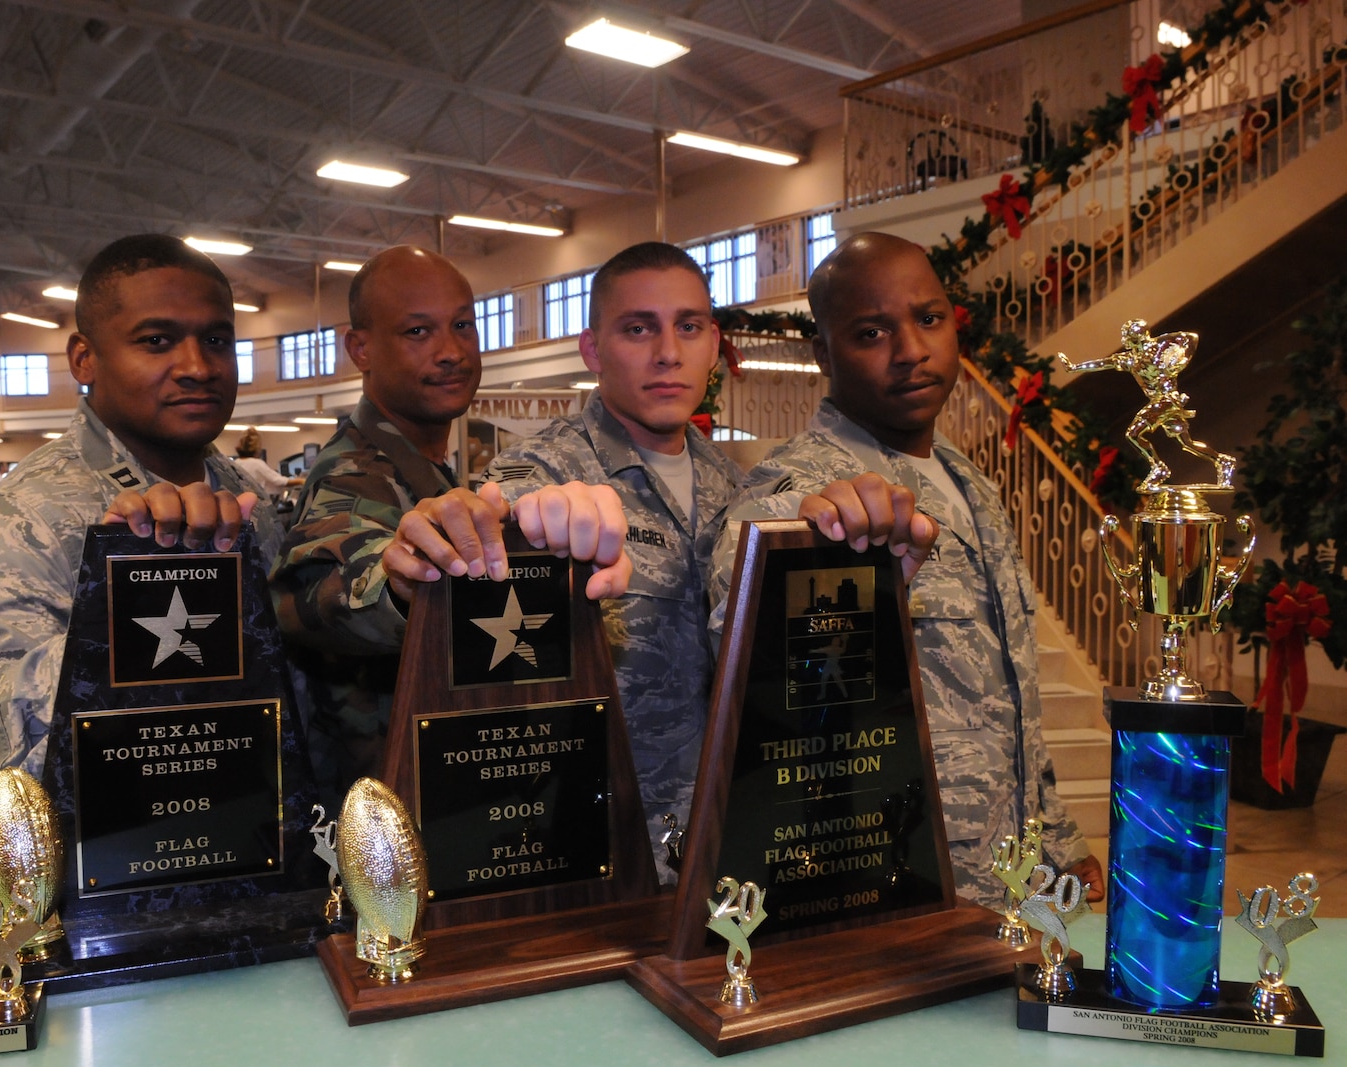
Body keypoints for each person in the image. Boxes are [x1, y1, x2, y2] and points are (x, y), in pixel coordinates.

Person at [708, 232, 1103, 906]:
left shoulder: (967, 480)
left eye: (928, 319)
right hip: (899, 876)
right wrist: (809, 530)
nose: (912, 352)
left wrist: (1056, 841)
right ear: (825, 354)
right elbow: (740, 600)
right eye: (871, 333)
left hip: (1010, 876)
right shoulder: (805, 479)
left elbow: (1011, 693)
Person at [0, 234, 270, 833]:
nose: (198, 366)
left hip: (257, 843)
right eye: (156, 341)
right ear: (84, 358)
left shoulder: (245, 497)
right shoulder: (26, 517)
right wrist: (130, 626)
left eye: (216, 340)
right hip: (117, 872)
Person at [269, 245, 631, 797]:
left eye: (463, 325)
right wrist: (400, 580)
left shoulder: (432, 472)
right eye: (418, 332)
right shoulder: (353, 474)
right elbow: (318, 588)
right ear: (360, 348)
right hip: (402, 820)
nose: (450, 351)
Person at [480, 242, 744, 876]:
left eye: (689, 327)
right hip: (595, 849)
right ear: (593, 350)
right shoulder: (545, 472)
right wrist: (500, 519)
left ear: (713, 344)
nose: (668, 353)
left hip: (720, 848)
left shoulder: (736, 489)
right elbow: (490, 513)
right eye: (637, 328)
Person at [233, 427, 304, 499]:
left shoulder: (236, 463)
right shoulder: (256, 463)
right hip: (259, 501)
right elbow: (279, 481)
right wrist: (302, 481)